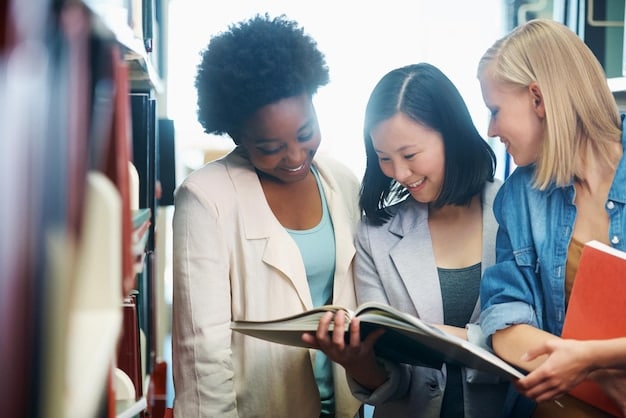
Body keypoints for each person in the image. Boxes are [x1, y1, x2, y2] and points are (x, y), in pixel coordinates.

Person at [171, 14, 362, 418]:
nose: (295, 157)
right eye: (270, 146)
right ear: (238, 136)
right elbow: (202, 350)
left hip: (347, 407)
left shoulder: (341, 181)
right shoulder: (205, 197)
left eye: (306, 131)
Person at [303, 62, 510, 417]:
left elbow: (540, 335)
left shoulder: (514, 210)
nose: (399, 173)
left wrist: (439, 335)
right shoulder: (375, 234)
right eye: (384, 158)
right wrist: (357, 361)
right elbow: (391, 380)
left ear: (452, 134)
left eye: (410, 155)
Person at [476, 18, 626, 416]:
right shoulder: (519, 197)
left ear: (538, 99)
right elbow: (505, 324)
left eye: (495, 110)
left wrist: (592, 357)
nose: (491, 129)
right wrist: (595, 367)